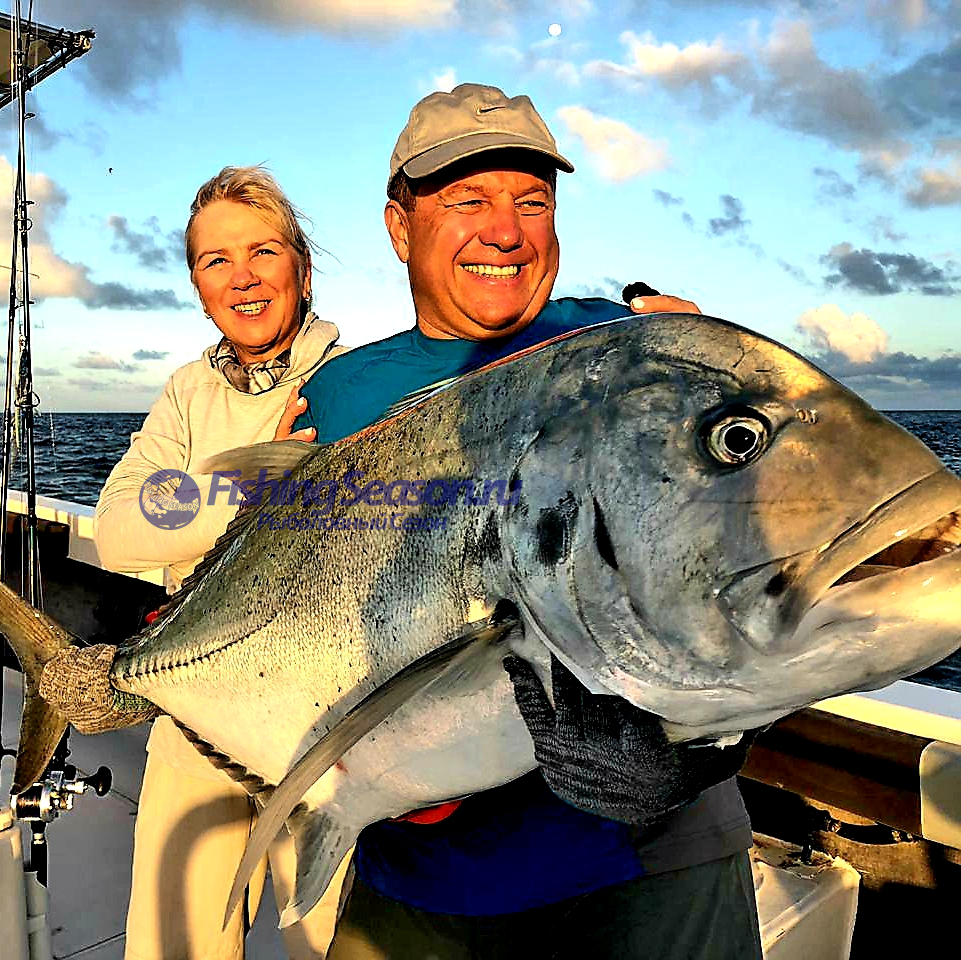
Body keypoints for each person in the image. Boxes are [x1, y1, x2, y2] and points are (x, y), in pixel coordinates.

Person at [282, 84, 762, 960]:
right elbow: (302, 617)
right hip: (421, 873)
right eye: (468, 200)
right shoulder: (338, 401)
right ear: (400, 228)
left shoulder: (633, 355)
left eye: (532, 202)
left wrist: (704, 748)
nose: (505, 230)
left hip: (649, 863)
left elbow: (746, 567)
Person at [93, 166, 348, 960]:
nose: (243, 277)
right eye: (216, 260)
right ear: (198, 285)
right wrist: (251, 485)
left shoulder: (352, 384)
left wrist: (186, 502)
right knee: (171, 943)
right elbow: (116, 529)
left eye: (263, 252)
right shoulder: (186, 393)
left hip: (321, 724)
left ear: (302, 268)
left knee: (333, 942)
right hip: (192, 710)